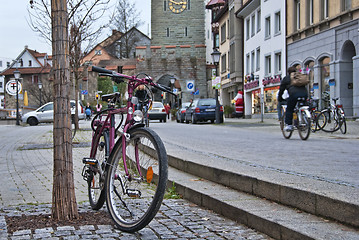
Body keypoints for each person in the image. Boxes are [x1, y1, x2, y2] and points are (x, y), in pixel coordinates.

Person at [278, 66, 308, 131]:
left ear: (288, 72)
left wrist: (280, 98)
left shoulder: (287, 78)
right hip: (305, 94)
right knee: (303, 106)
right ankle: (306, 119)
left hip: (294, 95)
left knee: (289, 109)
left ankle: (289, 125)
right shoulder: (300, 76)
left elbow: (281, 89)